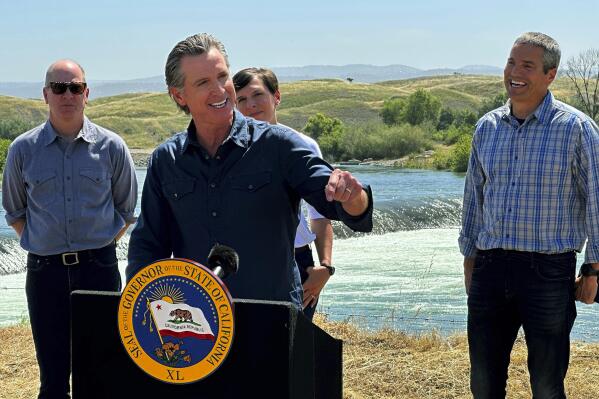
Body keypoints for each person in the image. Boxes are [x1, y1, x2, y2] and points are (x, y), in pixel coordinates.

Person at [127, 33, 373, 311]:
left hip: (273, 319)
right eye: (203, 82)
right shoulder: (166, 160)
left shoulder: (279, 145)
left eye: (222, 77)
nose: (219, 90)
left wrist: (352, 196)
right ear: (179, 95)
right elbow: (148, 247)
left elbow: (345, 206)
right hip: (197, 326)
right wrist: (142, 310)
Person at [459, 32, 599, 398]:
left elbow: (598, 202)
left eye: (527, 65)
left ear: (550, 75)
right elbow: (474, 199)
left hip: (548, 272)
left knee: (547, 384)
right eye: (510, 62)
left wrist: (594, 269)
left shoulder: (577, 129)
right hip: (490, 267)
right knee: (484, 383)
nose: (514, 72)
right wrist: (469, 258)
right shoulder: (486, 127)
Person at [2, 60, 138, 399]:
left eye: (75, 87)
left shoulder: (112, 147)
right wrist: (42, 243)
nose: (67, 95)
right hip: (44, 273)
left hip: (100, 271)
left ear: (86, 94)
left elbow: (126, 210)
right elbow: (15, 211)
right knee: (52, 379)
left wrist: (100, 248)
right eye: (59, 88)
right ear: (45, 94)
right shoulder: (22, 149)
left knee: (100, 374)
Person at [232, 67, 334, 320]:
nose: (250, 105)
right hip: (243, 263)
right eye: (241, 100)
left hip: (298, 262)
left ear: (276, 96)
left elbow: (320, 213)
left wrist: (325, 267)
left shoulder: (303, 145)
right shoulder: (227, 150)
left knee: (291, 350)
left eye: (257, 95)